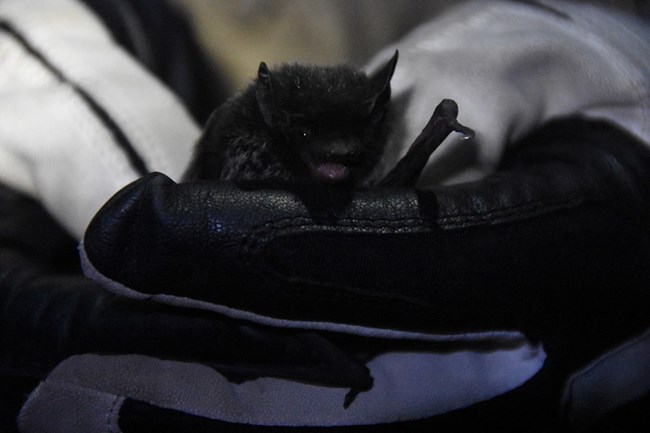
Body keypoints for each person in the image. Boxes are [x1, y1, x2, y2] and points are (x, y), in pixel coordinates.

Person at [1, 0, 649, 432]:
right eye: (325, 149)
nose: (337, 160)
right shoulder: (248, 130)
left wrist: (607, 44)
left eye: (349, 148)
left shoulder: (362, 129)